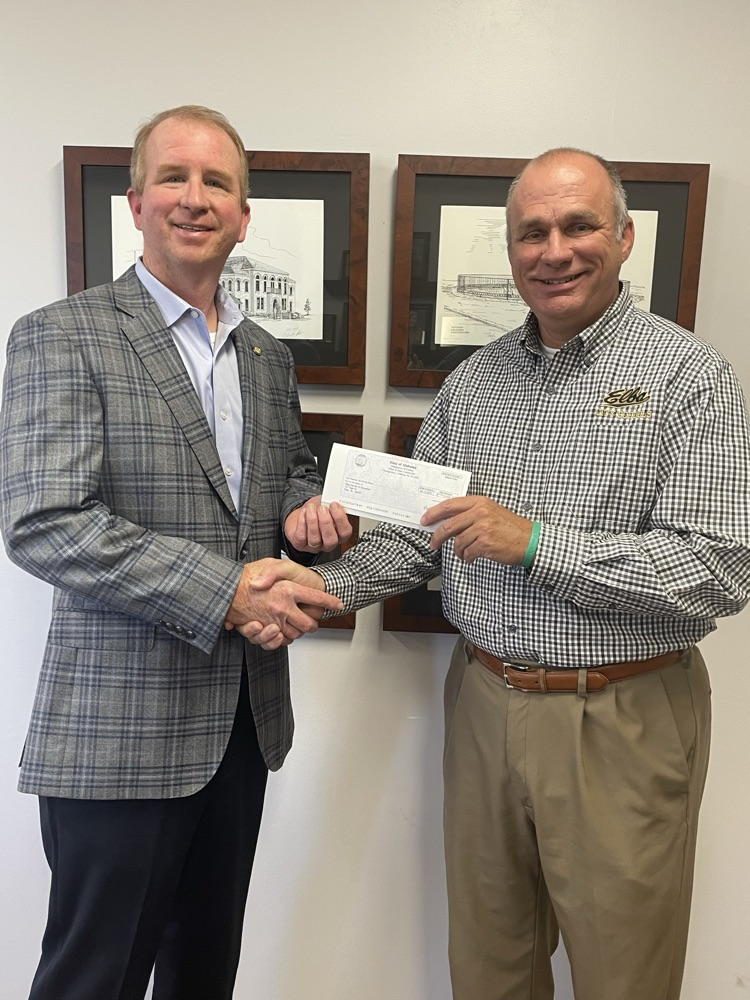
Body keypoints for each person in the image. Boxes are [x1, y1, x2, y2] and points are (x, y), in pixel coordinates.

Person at [247, 149, 750, 1000]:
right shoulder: (474, 384)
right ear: (511, 251)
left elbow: (718, 568)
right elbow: (416, 540)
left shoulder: (691, 379)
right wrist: (313, 591)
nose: (555, 250)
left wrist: (534, 543)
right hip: (483, 700)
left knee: (623, 972)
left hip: (620, 714)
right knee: (489, 964)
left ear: (625, 238)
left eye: (579, 225)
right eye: (533, 232)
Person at [0, 104, 351, 1000]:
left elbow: (280, 478)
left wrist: (305, 509)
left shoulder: (265, 355)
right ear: (135, 201)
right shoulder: (61, 334)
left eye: (218, 183)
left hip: (242, 721)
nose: (194, 199)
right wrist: (228, 591)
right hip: (117, 731)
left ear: (244, 214)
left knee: (204, 975)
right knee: (94, 979)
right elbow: (46, 522)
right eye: (174, 178)